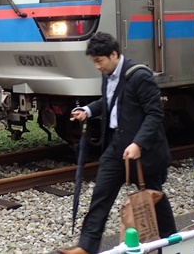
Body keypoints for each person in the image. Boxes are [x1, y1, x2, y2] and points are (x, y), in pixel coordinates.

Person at [57, 32, 176, 254]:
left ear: (113, 54)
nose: (97, 67)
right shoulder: (108, 73)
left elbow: (155, 114)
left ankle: (173, 241)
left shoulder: (140, 76)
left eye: (99, 61)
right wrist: (88, 110)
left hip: (143, 152)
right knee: (100, 195)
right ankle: (86, 247)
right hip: (116, 147)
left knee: (153, 197)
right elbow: (110, 102)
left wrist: (138, 143)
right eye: (94, 62)